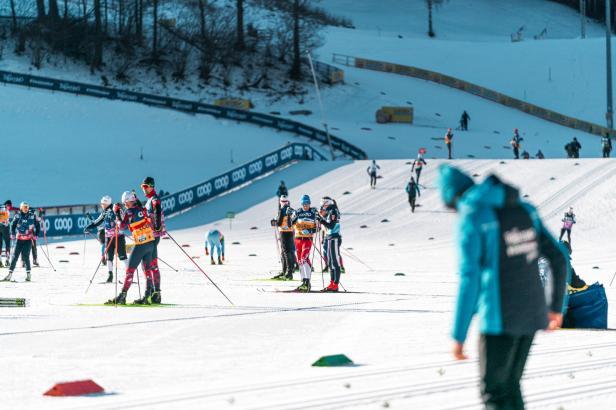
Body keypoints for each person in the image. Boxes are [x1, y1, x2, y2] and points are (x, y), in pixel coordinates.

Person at [438, 165, 569, 410]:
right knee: (510, 386)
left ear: (452, 199)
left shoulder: (474, 215)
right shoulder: (524, 209)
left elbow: (470, 279)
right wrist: (555, 308)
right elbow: (559, 258)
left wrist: (458, 335)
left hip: (500, 317)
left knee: (494, 392)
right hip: (532, 313)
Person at [105, 191, 156, 305]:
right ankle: (147, 297)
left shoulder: (129, 212)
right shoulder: (142, 209)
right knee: (147, 271)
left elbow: (122, 226)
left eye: (125, 203)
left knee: (130, 270)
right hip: (150, 243)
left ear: (128, 201)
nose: (125, 205)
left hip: (141, 245)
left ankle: (122, 296)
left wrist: (117, 214)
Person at [85, 195, 129, 283]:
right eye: (101, 204)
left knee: (122, 256)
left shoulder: (116, 209)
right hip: (108, 237)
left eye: (103, 204)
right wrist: (89, 227)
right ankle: (110, 275)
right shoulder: (104, 212)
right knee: (109, 257)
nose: (102, 205)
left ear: (106, 203)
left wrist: (114, 216)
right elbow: (97, 222)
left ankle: (129, 275)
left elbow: (123, 221)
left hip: (118, 237)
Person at [141, 177, 166, 304]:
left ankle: (153, 292)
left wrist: (156, 224)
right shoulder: (149, 200)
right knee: (150, 265)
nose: (144, 189)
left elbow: (156, 209)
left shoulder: (154, 199)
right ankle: (155, 292)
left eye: (145, 187)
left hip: (153, 236)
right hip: (149, 236)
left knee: (148, 264)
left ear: (151, 186)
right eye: (142, 187)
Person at [3, 202, 38, 282]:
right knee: (15, 257)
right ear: (21, 208)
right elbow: (12, 225)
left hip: (28, 240)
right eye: (24, 207)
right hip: (19, 240)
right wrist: (12, 233)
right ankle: (10, 274)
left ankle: (28, 274)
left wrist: (36, 234)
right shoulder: (18, 215)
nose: (26, 209)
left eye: (27, 207)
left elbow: (37, 225)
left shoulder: (32, 216)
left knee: (26, 257)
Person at [291, 195, 318, 292]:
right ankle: (303, 281)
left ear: (309, 203)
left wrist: (310, 230)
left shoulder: (313, 212)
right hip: (298, 239)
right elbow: (291, 223)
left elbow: (318, 227)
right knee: (299, 261)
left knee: (304, 258)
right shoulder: (298, 212)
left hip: (307, 239)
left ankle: (307, 281)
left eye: (307, 204)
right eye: (303, 204)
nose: (305, 206)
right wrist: (291, 215)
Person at [317, 196, 342, 292]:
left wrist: (321, 220)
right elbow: (326, 223)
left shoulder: (333, 211)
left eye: (322, 204)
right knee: (330, 262)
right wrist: (320, 218)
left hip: (334, 237)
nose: (322, 206)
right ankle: (332, 283)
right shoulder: (329, 211)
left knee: (335, 262)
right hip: (329, 237)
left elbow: (331, 225)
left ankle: (335, 284)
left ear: (326, 203)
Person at [272, 195, 295, 280]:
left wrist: (274, 221)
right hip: (290, 232)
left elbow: (279, 222)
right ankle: (286, 271)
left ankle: (288, 272)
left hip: (284, 232)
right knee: (287, 251)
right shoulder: (290, 209)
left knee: (285, 252)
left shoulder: (282, 210)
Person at [0, 200, 17, 268]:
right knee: (7, 243)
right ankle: (7, 260)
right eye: (10, 206)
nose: (10, 208)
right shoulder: (5, 209)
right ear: (7, 205)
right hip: (4, 227)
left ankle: (0, 261)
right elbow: (4, 219)